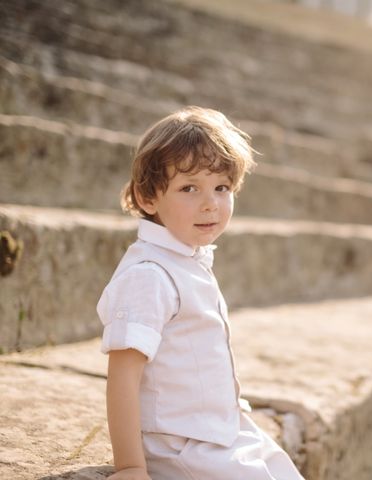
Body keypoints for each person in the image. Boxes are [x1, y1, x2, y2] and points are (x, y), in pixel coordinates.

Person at [97, 106, 305, 479]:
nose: (210, 203)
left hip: (222, 431)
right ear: (147, 198)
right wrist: (130, 467)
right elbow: (123, 377)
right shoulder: (150, 275)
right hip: (181, 446)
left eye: (221, 187)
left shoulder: (188, 260)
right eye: (189, 188)